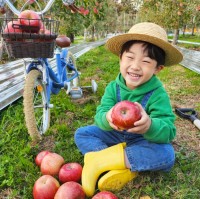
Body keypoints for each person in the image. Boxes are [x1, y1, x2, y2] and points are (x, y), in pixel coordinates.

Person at [74, 22, 183, 197]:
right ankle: (120, 164)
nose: (135, 66)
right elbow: (100, 116)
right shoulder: (113, 88)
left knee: (167, 154)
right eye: (130, 58)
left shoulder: (157, 94)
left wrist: (149, 126)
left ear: (158, 68)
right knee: (82, 133)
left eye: (146, 61)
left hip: (142, 140)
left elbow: (169, 131)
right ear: (120, 58)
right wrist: (107, 117)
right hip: (115, 135)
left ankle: (103, 161)